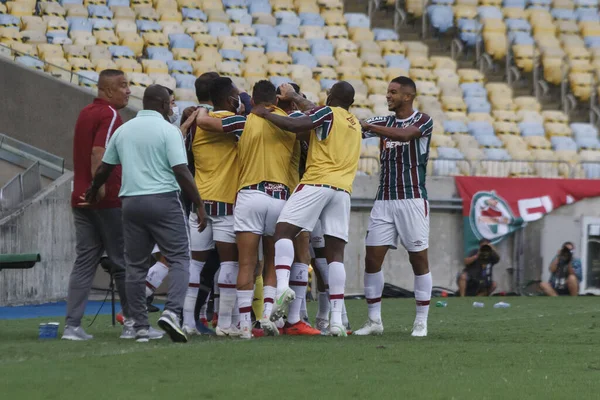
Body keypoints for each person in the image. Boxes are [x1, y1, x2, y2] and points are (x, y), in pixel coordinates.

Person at [195, 81, 321, 337]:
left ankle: (243, 326)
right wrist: (293, 98)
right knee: (272, 263)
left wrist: (200, 110)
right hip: (280, 197)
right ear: (276, 99)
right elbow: (316, 118)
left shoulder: (243, 121)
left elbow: (207, 123)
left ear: (252, 98)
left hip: (250, 194)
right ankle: (266, 316)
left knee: (246, 262)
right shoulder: (291, 120)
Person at [83, 85, 207, 343]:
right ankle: (172, 313)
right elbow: (181, 171)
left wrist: (93, 190)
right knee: (180, 258)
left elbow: (105, 168)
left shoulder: (123, 129)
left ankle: (139, 325)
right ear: (163, 105)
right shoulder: (168, 131)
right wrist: (199, 203)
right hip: (164, 201)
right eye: (169, 104)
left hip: (130, 202)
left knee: (135, 266)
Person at [251, 81, 362, 337]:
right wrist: (298, 99)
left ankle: (281, 289)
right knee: (335, 256)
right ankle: (336, 320)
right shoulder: (355, 123)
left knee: (282, 232)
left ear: (330, 96)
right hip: (343, 191)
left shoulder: (326, 113)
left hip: (316, 183)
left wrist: (266, 113)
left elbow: (296, 125)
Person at [353, 76, 434, 338]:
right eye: (388, 92)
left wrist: (372, 128)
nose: (388, 96)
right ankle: (374, 320)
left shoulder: (422, 120)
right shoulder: (383, 122)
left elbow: (406, 134)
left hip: (412, 199)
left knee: (418, 259)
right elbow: (349, 126)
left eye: (393, 92)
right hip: (384, 200)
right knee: (371, 260)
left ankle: (421, 321)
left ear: (408, 96)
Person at [63, 69, 133, 341]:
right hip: (104, 199)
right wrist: (98, 188)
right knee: (122, 262)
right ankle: (133, 323)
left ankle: (72, 326)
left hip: (79, 197)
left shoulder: (85, 113)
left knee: (84, 262)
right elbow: (98, 153)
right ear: (107, 89)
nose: (128, 90)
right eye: (123, 85)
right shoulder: (110, 115)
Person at [189, 77, 245, 337]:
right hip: (226, 203)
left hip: (199, 202)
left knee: (196, 265)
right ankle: (224, 323)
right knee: (229, 263)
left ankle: (187, 321)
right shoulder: (235, 123)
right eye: (236, 96)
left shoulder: (193, 124)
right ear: (229, 99)